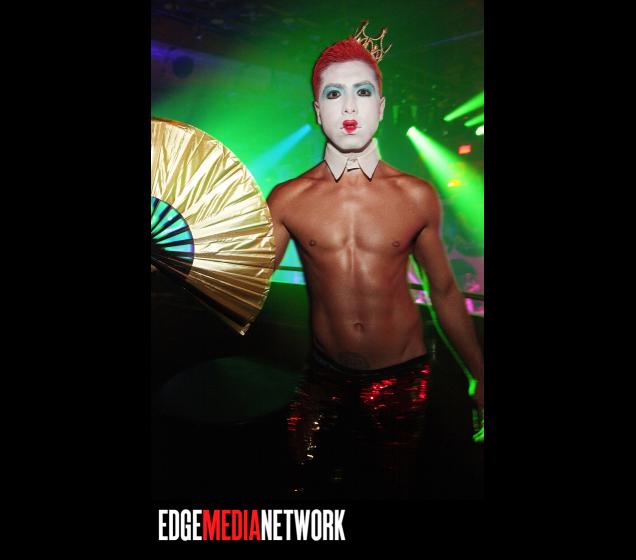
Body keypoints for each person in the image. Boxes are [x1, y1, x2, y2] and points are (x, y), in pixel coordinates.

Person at [267, 22, 484, 498]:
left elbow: (446, 291)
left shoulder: (415, 195)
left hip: (402, 379)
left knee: (391, 487)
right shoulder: (286, 199)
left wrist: (479, 373)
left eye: (362, 92)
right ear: (318, 110)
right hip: (323, 375)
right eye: (334, 94)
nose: (349, 107)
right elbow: (251, 280)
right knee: (302, 487)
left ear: (380, 108)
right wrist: (180, 262)